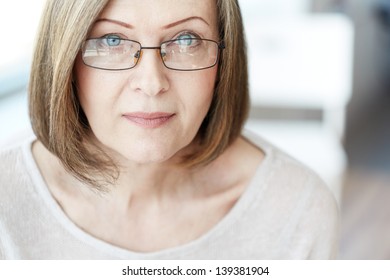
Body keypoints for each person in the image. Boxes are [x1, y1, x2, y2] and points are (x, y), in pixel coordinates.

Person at [0, 0, 338, 259]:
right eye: (112, 39)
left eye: (187, 39)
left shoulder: (296, 209)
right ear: (66, 58)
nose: (151, 84)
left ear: (225, 58)